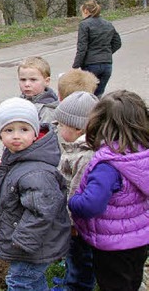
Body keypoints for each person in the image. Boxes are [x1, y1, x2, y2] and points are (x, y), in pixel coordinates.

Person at [68, 90, 149, 291]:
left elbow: (91, 205)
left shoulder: (109, 163)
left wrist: (73, 201)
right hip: (140, 238)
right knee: (131, 280)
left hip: (112, 244)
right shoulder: (142, 152)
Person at [0, 97, 70, 290]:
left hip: (32, 246)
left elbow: (42, 211)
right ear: (0, 135)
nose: (16, 136)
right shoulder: (17, 159)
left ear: (35, 133)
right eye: (9, 130)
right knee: (33, 282)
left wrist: (23, 241)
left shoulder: (36, 172)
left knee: (19, 282)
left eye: (24, 129)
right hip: (31, 243)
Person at [53, 91, 99, 291]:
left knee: (81, 260)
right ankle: (69, 281)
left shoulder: (84, 157)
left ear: (79, 128)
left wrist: (71, 223)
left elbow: (76, 190)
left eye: (62, 125)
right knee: (75, 258)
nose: (59, 129)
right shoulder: (76, 149)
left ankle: (75, 286)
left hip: (80, 226)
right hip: (77, 224)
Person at [72, 0, 122, 97]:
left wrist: (75, 66)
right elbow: (117, 42)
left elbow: (82, 47)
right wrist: (106, 53)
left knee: (87, 96)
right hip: (107, 65)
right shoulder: (108, 23)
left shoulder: (84, 24)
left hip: (90, 65)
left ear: (86, 10)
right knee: (98, 95)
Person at [18, 56, 59, 124]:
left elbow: (47, 134)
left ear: (46, 81)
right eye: (23, 80)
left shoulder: (47, 110)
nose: (27, 84)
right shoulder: (20, 101)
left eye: (33, 80)